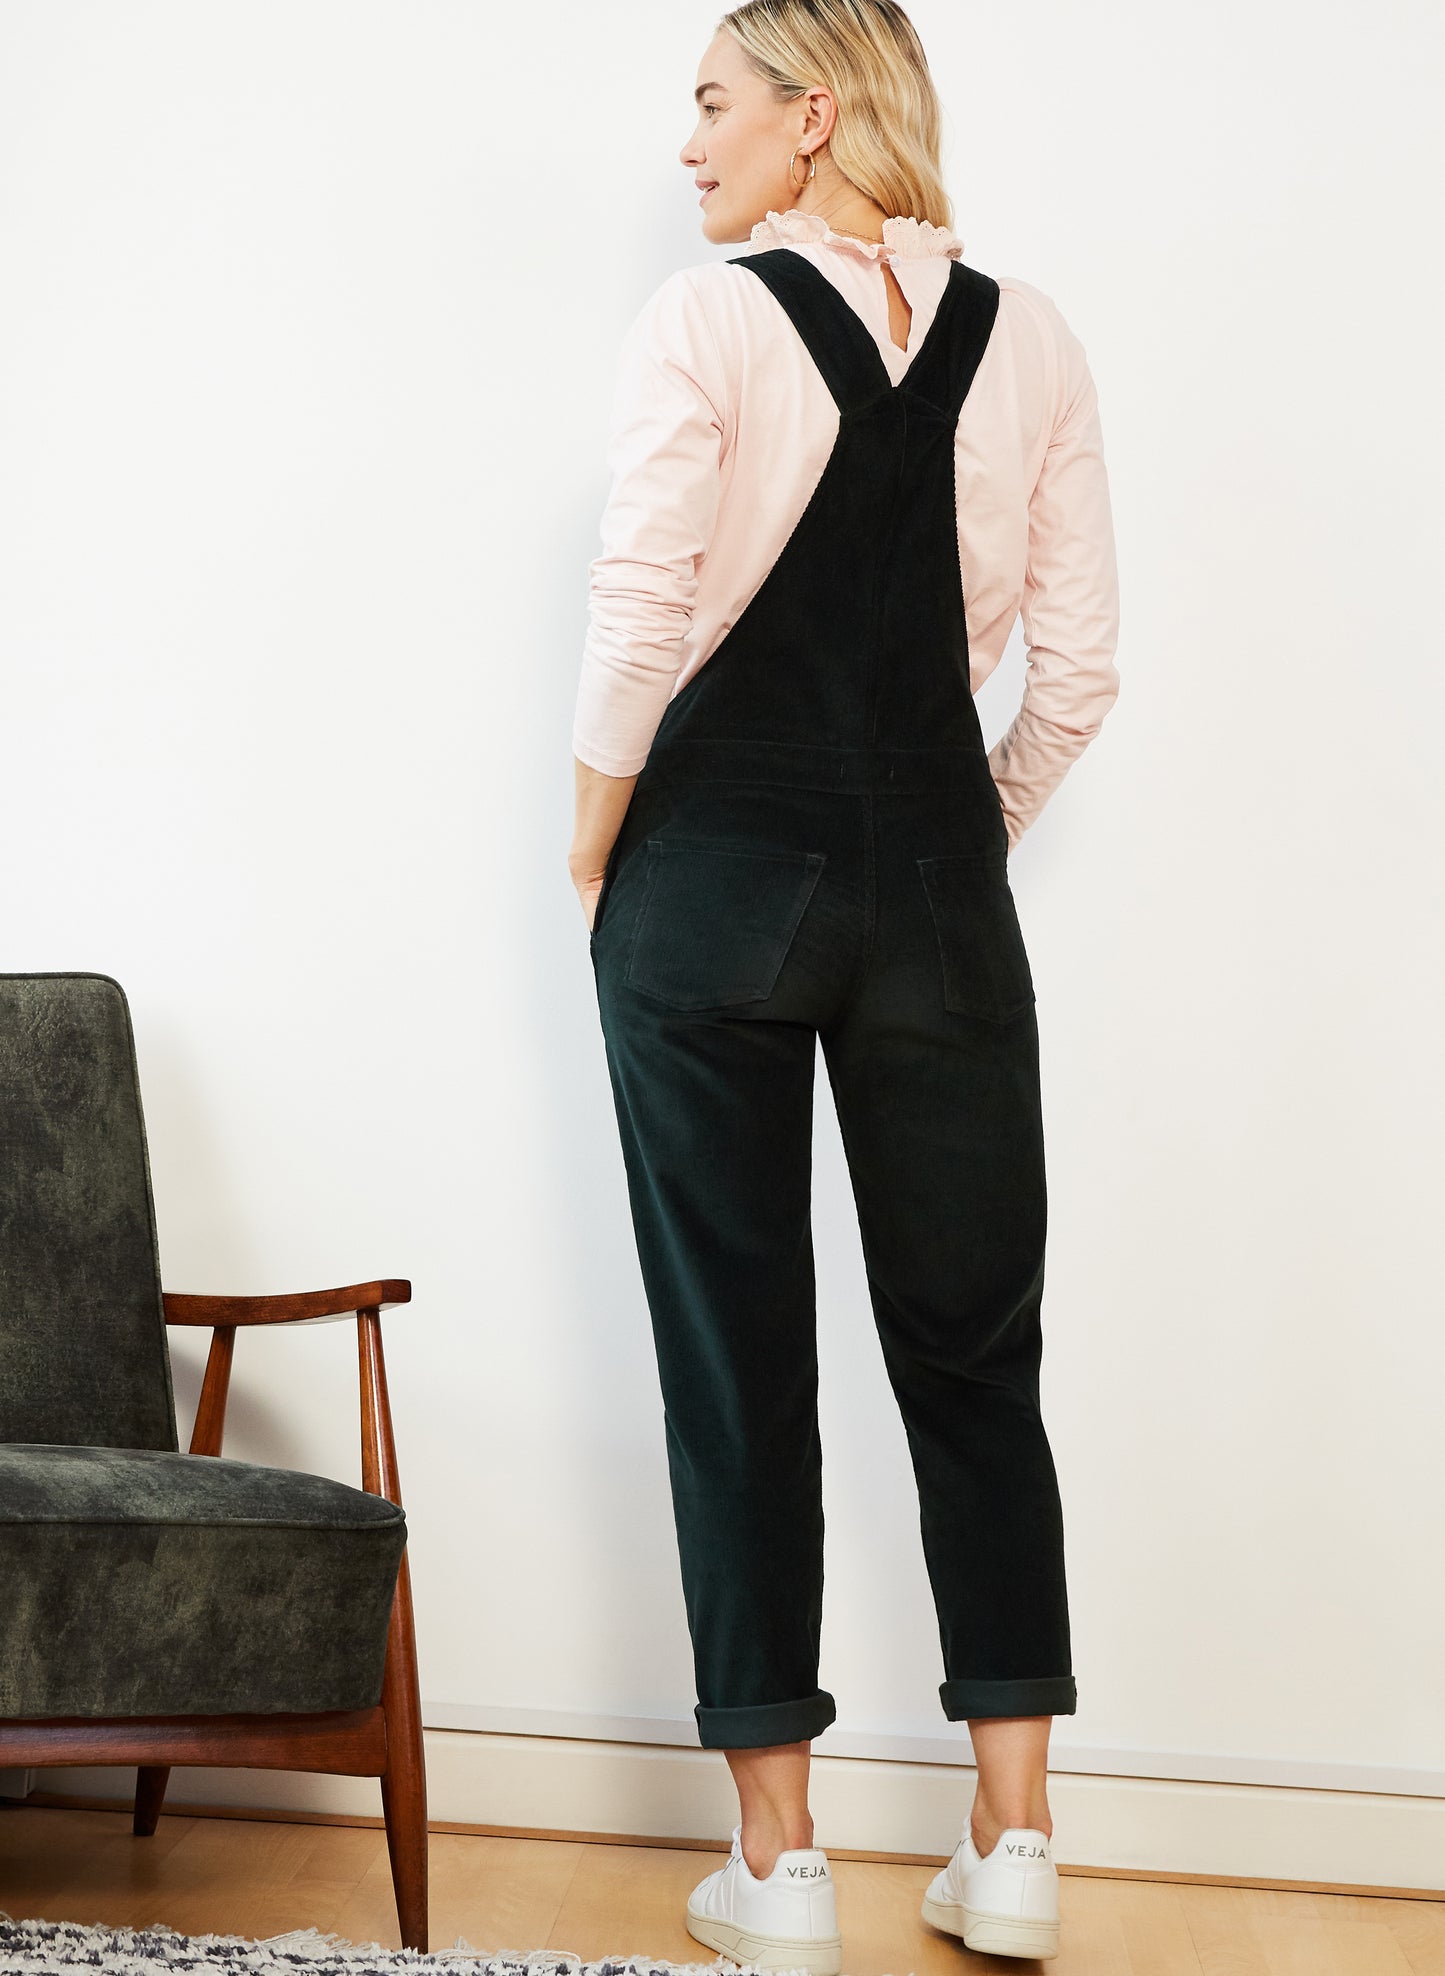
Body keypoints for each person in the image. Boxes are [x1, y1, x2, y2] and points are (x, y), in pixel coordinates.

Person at [568, 2, 1119, 1964]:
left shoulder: (706, 323)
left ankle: (780, 1864)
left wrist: (593, 844)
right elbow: (1080, 674)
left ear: (813, 118)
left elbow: (642, 609)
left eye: (712, 102)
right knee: (978, 1354)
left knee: (739, 1357)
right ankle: (1017, 1838)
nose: (688, 142)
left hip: (711, 876)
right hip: (938, 889)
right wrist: (956, 836)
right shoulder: (1031, 338)